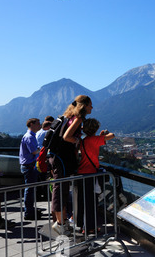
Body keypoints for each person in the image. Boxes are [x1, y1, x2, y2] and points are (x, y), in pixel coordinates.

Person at [50, 95, 93, 235]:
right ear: (84, 106)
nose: (92, 108)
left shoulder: (68, 116)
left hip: (57, 157)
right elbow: (66, 136)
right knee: (60, 189)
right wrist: (77, 141)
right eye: (90, 105)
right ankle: (60, 224)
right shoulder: (78, 118)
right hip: (62, 158)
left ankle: (62, 222)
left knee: (60, 189)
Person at [75, 118, 114, 235]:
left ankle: (81, 225)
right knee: (91, 202)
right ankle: (90, 228)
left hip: (81, 173)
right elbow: (112, 136)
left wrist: (98, 134)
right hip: (90, 173)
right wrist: (105, 133)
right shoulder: (94, 140)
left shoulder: (83, 140)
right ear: (95, 129)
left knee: (82, 200)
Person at [19, 118, 43, 220]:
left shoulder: (30, 136)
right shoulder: (29, 137)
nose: (40, 125)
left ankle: (29, 210)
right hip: (29, 165)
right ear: (32, 124)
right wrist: (41, 149)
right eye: (38, 124)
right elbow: (34, 151)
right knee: (29, 189)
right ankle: (28, 211)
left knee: (30, 188)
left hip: (28, 165)